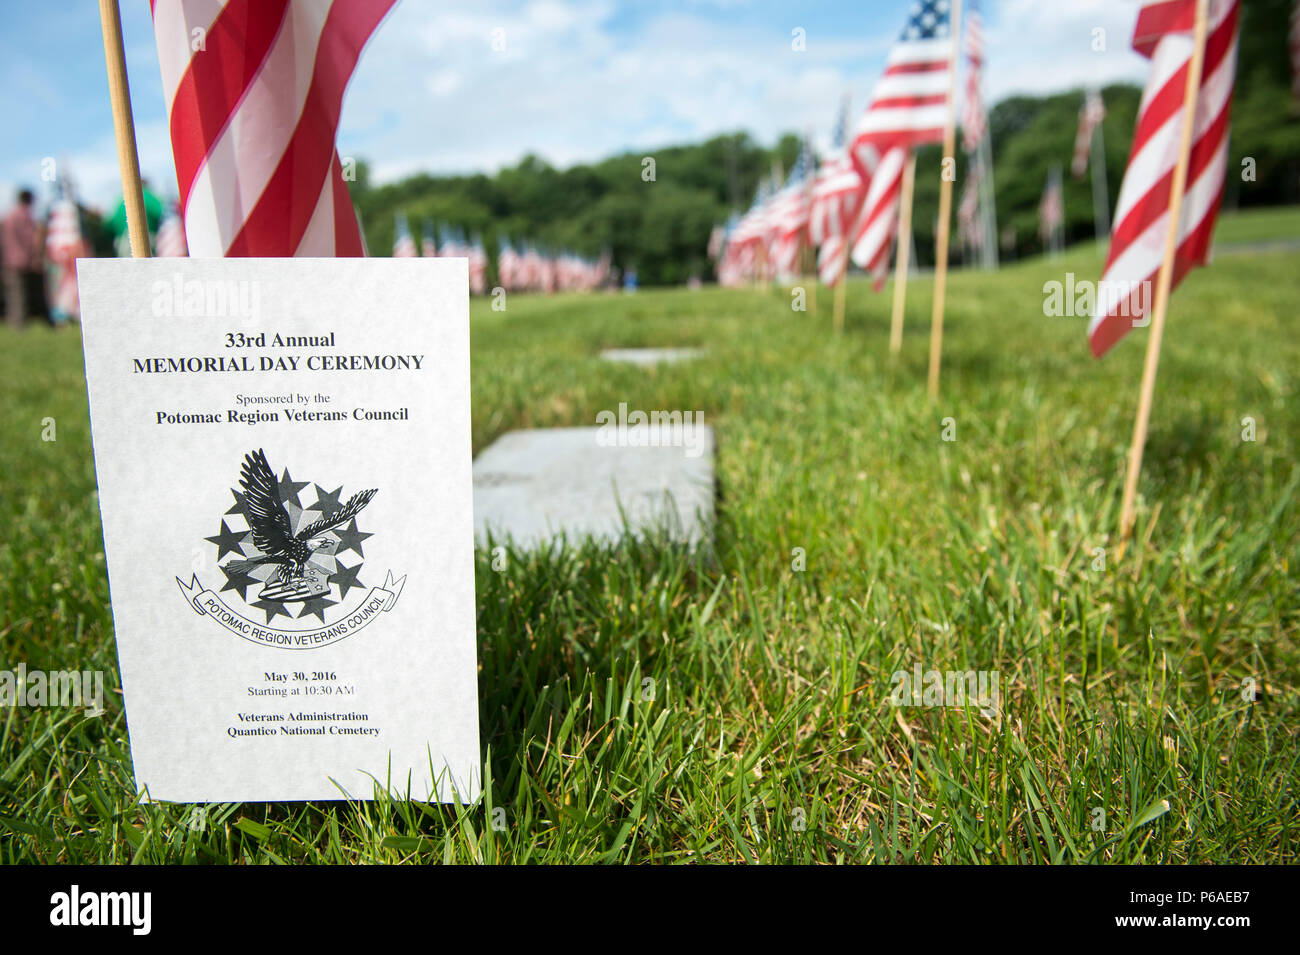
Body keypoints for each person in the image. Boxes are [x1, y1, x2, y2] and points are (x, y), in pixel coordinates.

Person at [2, 188, 41, 329]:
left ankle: (17, 323)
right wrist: (31, 258)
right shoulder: (23, 216)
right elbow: (29, 240)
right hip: (20, 262)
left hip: (10, 261)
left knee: (15, 294)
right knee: (19, 294)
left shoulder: (10, 215)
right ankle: (19, 325)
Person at [104, 179, 163, 256]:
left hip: (123, 241)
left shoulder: (120, 200)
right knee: (148, 265)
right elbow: (161, 213)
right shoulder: (148, 196)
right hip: (145, 239)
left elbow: (108, 225)